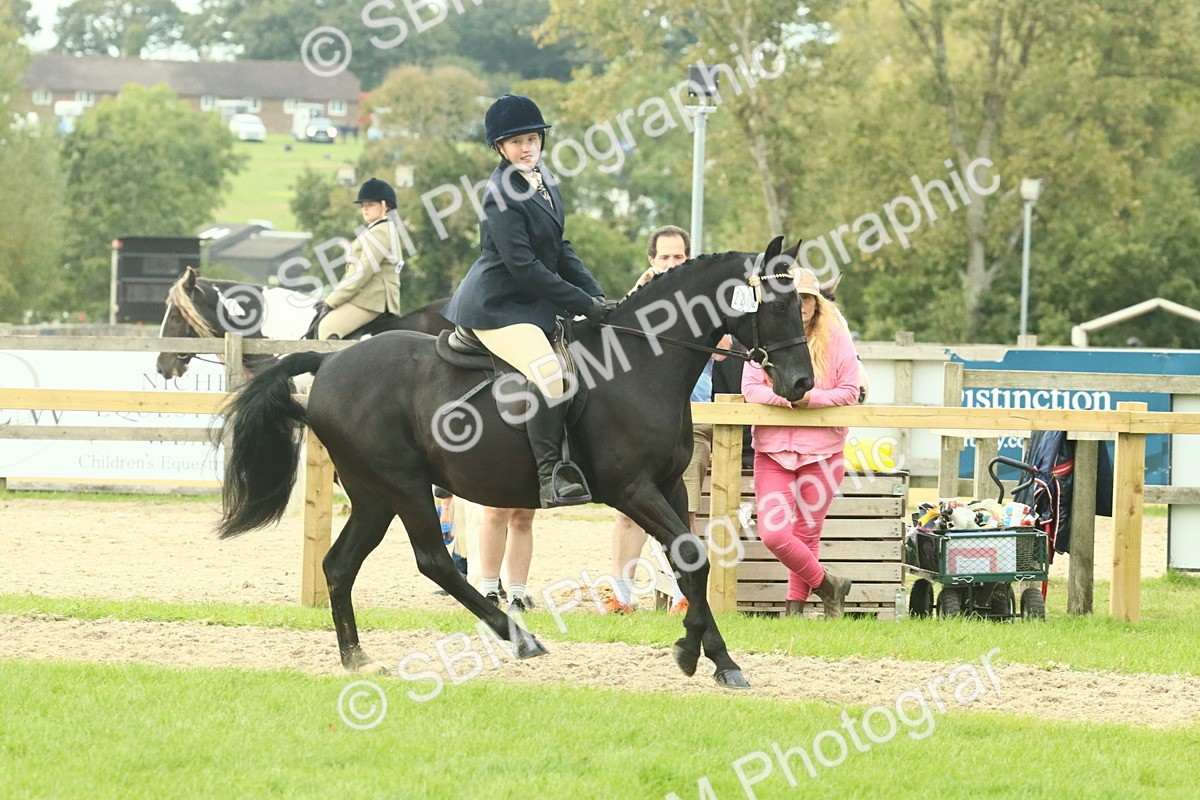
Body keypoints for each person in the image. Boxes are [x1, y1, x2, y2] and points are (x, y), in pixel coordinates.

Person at [442, 94, 607, 507]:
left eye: (533, 138)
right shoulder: (500, 194)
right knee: (550, 373)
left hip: (529, 303)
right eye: (516, 142)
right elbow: (525, 266)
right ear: (500, 147)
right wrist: (582, 303)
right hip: (498, 306)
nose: (527, 147)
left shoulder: (544, 180)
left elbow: (560, 248)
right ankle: (550, 476)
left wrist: (596, 293)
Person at [605, 226, 731, 615]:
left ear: (689, 260)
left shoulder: (705, 303)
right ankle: (621, 597)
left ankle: (685, 596)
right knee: (628, 513)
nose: (672, 264)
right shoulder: (639, 301)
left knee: (683, 512)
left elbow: (724, 351)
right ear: (651, 262)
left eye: (679, 258)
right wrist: (636, 291)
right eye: (664, 258)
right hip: (633, 424)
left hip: (686, 424)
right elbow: (609, 341)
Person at [741, 267, 858, 619]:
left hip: (824, 451)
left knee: (807, 535)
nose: (801, 304)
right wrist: (789, 400)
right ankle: (829, 585)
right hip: (774, 452)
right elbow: (751, 389)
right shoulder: (763, 338)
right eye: (795, 298)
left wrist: (811, 399)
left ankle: (795, 610)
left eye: (807, 297)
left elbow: (850, 391)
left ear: (817, 303)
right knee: (774, 534)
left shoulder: (837, 339)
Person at [317, 177, 403, 340]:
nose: (365, 209)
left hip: (373, 299)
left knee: (327, 328)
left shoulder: (380, 231)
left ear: (385, 205)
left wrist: (332, 300)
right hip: (369, 297)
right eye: (363, 205)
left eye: (371, 204)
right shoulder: (380, 229)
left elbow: (362, 272)